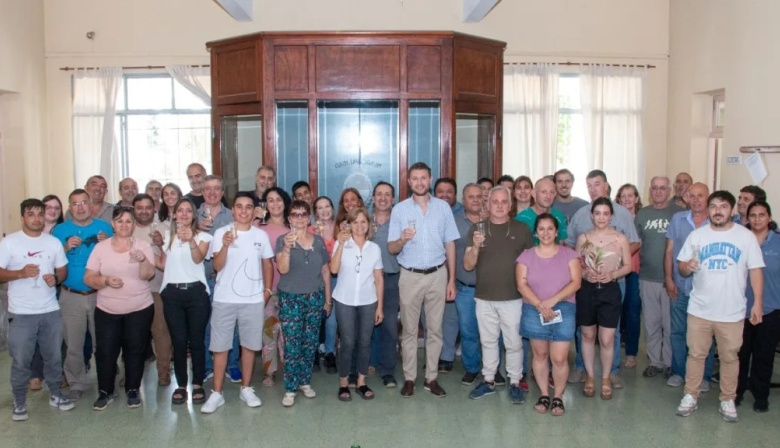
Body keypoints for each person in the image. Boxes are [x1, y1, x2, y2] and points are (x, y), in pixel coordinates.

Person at [675, 191, 764, 423]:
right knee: (695, 355)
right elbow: (681, 267)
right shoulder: (697, 235)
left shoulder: (745, 237)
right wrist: (687, 267)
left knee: (730, 357)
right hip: (700, 309)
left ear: (731, 210)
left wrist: (758, 303)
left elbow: (755, 270)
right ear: (709, 209)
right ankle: (690, 395)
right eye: (713, 206)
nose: (717, 210)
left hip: (732, 311)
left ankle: (727, 399)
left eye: (723, 206)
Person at [389, 162, 459, 398]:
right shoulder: (399, 210)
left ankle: (431, 378)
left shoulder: (443, 208)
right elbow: (391, 247)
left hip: (438, 274)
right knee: (409, 330)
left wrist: (451, 280)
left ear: (430, 180)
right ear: (409, 182)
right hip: (410, 275)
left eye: (423, 178)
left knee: (435, 329)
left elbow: (450, 243)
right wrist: (402, 240)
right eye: (414, 178)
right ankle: (410, 378)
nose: (419, 182)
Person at [200, 193, 275, 413]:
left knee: (249, 346)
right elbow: (217, 266)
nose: (244, 211)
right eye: (239, 207)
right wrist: (224, 246)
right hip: (224, 299)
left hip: (252, 300)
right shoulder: (222, 233)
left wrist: (268, 291)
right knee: (220, 347)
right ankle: (217, 393)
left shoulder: (260, 236)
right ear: (233, 210)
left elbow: (268, 264)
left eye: (248, 207)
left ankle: (246, 388)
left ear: (254, 211)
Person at [0, 199, 73, 421]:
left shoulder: (53, 243)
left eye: (40, 214)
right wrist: (19, 273)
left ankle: (55, 393)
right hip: (21, 314)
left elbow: (63, 270)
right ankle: (19, 401)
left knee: (53, 357)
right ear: (23, 218)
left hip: (50, 311)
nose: (37, 218)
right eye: (31, 214)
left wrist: (56, 278)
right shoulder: (9, 243)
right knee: (22, 360)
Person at [565, 170, 640, 388]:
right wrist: (584, 272)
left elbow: (633, 243)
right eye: (589, 185)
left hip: (615, 283)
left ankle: (612, 371)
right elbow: (571, 249)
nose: (593, 189)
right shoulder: (581, 215)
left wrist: (614, 269)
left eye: (597, 184)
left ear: (606, 186)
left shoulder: (622, 215)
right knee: (585, 330)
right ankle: (582, 368)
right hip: (587, 285)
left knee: (610, 331)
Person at [463, 186, 533, 404]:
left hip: (513, 297)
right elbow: (467, 265)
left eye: (504, 202)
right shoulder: (477, 228)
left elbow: (532, 265)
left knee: (513, 342)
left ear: (510, 205)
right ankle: (489, 380)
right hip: (484, 297)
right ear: (488, 204)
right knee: (488, 341)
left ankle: (514, 382)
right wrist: (474, 247)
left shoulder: (522, 230)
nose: (500, 206)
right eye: (495, 202)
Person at [83, 206, 155, 410]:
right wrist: (105, 280)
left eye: (129, 221)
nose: (124, 224)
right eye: (120, 221)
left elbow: (148, 275)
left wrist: (142, 260)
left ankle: (133, 390)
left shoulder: (142, 245)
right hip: (107, 310)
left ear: (133, 225)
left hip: (139, 308)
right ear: (113, 224)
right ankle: (105, 391)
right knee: (106, 351)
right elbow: (88, 277)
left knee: (135, 350)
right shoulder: (101, 248)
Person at [516, 213, 581, 415]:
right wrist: (540, 305)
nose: (546, 233)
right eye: (541, 229)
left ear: (556, 231)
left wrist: (552, 301)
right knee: (540, 354)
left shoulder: (569, 255)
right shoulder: (526, 256)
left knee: (560, 358)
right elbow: (521, 284)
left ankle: (558, 397)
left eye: (550, 228)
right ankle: (544, 394)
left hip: (564, 309)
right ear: (536, 232)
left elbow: (576, 283)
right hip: (534, 310)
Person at [52, 189, 113, 401]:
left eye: (83, 203)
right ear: (70, 208)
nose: (80, 207)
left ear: (91, 205)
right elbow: (51, 261)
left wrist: (107, 245)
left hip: (101, 294)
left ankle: (108, 382)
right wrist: (65, 247)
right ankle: (76, 383)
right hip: (71, 295)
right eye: (75, 204)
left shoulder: (104, 228)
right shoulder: (60, 230)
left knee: (104, 342)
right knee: (74, 344)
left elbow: (116, 258)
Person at [155, 198, 212, 405]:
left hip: (196, 293)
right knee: (178, 342)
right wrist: (147, 254)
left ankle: (197, 384)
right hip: (172, 294)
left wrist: (191, 241)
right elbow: (162, 264)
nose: (185, 214)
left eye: (189, 211)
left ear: (194, 215)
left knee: (196, 341)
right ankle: (180, 385)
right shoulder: (166, 237)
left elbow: (198, 259)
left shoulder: (204, 236)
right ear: (175, 214)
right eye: (181, 210)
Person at [275, 200, 332, 407]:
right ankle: (290, 387)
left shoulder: (318, 241)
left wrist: (327, 299)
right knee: (292, 343)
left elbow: (325, 270)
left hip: (315, 296)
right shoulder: (283, 240)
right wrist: (288, 249)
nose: (299, 218)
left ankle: (304, 381)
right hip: (291, 298)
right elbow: (282, 269)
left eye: (303, 214)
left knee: (310, 342)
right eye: (295, 214)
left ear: (309, 217)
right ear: (289, 218)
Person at [575, 198, 633, 400]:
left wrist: (613, 275)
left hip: (610, 290)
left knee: (607, 338)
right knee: (588, 335)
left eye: (605, 213)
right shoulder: (583, 238)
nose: (601, 217)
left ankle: (606, 377)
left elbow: (628, 266)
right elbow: (577, 265)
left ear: (611, 216)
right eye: (597, 213)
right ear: (591, 215)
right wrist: (585, 274)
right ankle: (590, 376)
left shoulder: (620, 239)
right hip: (587, 291)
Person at [665, 182, 716, 390]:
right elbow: (669, 251)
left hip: (707, 290)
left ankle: (703, 376)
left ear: (708, 199)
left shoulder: (716, 222)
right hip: (681, 284)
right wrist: (668, 278)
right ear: (686, 198)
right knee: (678, 331)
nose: (695, 200)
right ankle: (679, 371)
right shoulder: (678, 219)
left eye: (700, 196)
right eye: (692, 196)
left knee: (706, 334)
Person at [330, 207, 384, 401]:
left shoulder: (374, 248)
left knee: (365, 342)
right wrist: (342, 245)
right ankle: (343, 383)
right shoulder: (341, 243)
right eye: (355, 222)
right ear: (349, 225)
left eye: (363, 222)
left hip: (368, 301)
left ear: (368, 224)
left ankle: (361, 382)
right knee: (347, 342)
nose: (359, 226)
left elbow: (378, 279)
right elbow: (333, 269)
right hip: (344, 299)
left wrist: (380, 306)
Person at [634, 176, 682, 378]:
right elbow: (635, 243)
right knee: (651, 323)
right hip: (647, 276)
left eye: (663, 188)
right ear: (650, 191)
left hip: (673, 279)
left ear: (669, 190)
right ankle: (655, 362)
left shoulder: (679, 214)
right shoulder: (642, 215)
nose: (658, 192)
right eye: (655, 188)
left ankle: (670, 363)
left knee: (670, 324)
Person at [737, 201, 780, 412]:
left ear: (769, 217)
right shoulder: (740, 240)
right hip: (741, 308)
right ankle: (736, 392)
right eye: (753, 215)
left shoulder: (778, 242)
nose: (757, 219)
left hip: (770, 309)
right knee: (740, 354)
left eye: (761, 215)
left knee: (764, 355)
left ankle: (760, 395)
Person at [197, 175, 240, 382]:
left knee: (230, 325)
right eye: (208, 189)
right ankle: (207, 366)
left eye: (216, 188)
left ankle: (232, 365)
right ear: (202, 191)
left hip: (226, 279)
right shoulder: (192, 216)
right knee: (205, 325)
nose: (212, 192)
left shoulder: (233, 217)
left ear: (223, 192)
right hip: (200, 280)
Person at [133, 194, 172, 386]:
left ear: (154, 209)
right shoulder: (126, 229)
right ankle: (132, 373)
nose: (144, 211)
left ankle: (164, 372)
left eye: (148, 207)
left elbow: (170, 261)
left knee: (160, 332)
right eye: (139, 207)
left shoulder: (164, 229)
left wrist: (161, 244)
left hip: (157, 289)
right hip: (131, 290)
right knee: (134, 335)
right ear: (134, 209)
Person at [28, 194, 66, 391]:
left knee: (57, 332)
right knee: (36, 332)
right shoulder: (30, 234)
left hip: (59, 286)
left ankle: (59, 372)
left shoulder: (63, 232)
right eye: (48, 207)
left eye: (57, 208)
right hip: (34, 290)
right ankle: (36, 373)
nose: (52, 211)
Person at [453, 183, 489, 386]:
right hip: (465, 287)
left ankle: (493, 369)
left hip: (492, 289)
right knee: (468, 331)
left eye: (478, 196)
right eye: (470, 197)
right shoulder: (454, 221)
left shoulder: (494, 220)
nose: (475, 200)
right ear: (463, 200)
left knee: (494, 332)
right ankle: (472, 368)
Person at [369, 181, 402, 388]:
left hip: (391, 279)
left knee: (389, 325)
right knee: (367, 325)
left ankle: (387, 370)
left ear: (392, 199)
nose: (382, 198)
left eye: (387, 195)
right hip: (365, 281)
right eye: (379, 194)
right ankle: (368, 363)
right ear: (373, 198)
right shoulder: (363, 221)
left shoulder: (399, 223)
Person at [259, 187, 292, 386]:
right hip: (267, 288)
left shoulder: (293, 227)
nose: (275, 204)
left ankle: (289, 368)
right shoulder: (258, 226)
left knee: (288, 332)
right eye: (270, 200)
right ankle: (269, 372)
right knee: (269, 330)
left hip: (289, 288)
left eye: (278, 199)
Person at [433, 177, 462, 374]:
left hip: (456, 274)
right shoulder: (429, 211)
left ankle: (447, 356)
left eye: (449, 191)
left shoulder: (462, 214)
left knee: (450, 318)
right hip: (432, 273)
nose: (445, 195)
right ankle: (432, 356)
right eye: (440, 191)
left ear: (455, 194)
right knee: (430, 319)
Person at [615, 183, 643, 369]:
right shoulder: (614, 217)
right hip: (616, 270)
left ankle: (631, 353)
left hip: (635, 271)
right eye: (623, 196)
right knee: (618, 312)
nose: (627, 199)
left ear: (636, 198)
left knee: (633, 311)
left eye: (630, 195)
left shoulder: (641, 218)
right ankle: (616, 349)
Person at [515, 177, 568, 245]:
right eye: (544, 192)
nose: (548, 196)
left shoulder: (559, 216)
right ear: (534, 194)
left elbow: (561, 245)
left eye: (552, 192)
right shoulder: (521, 218)